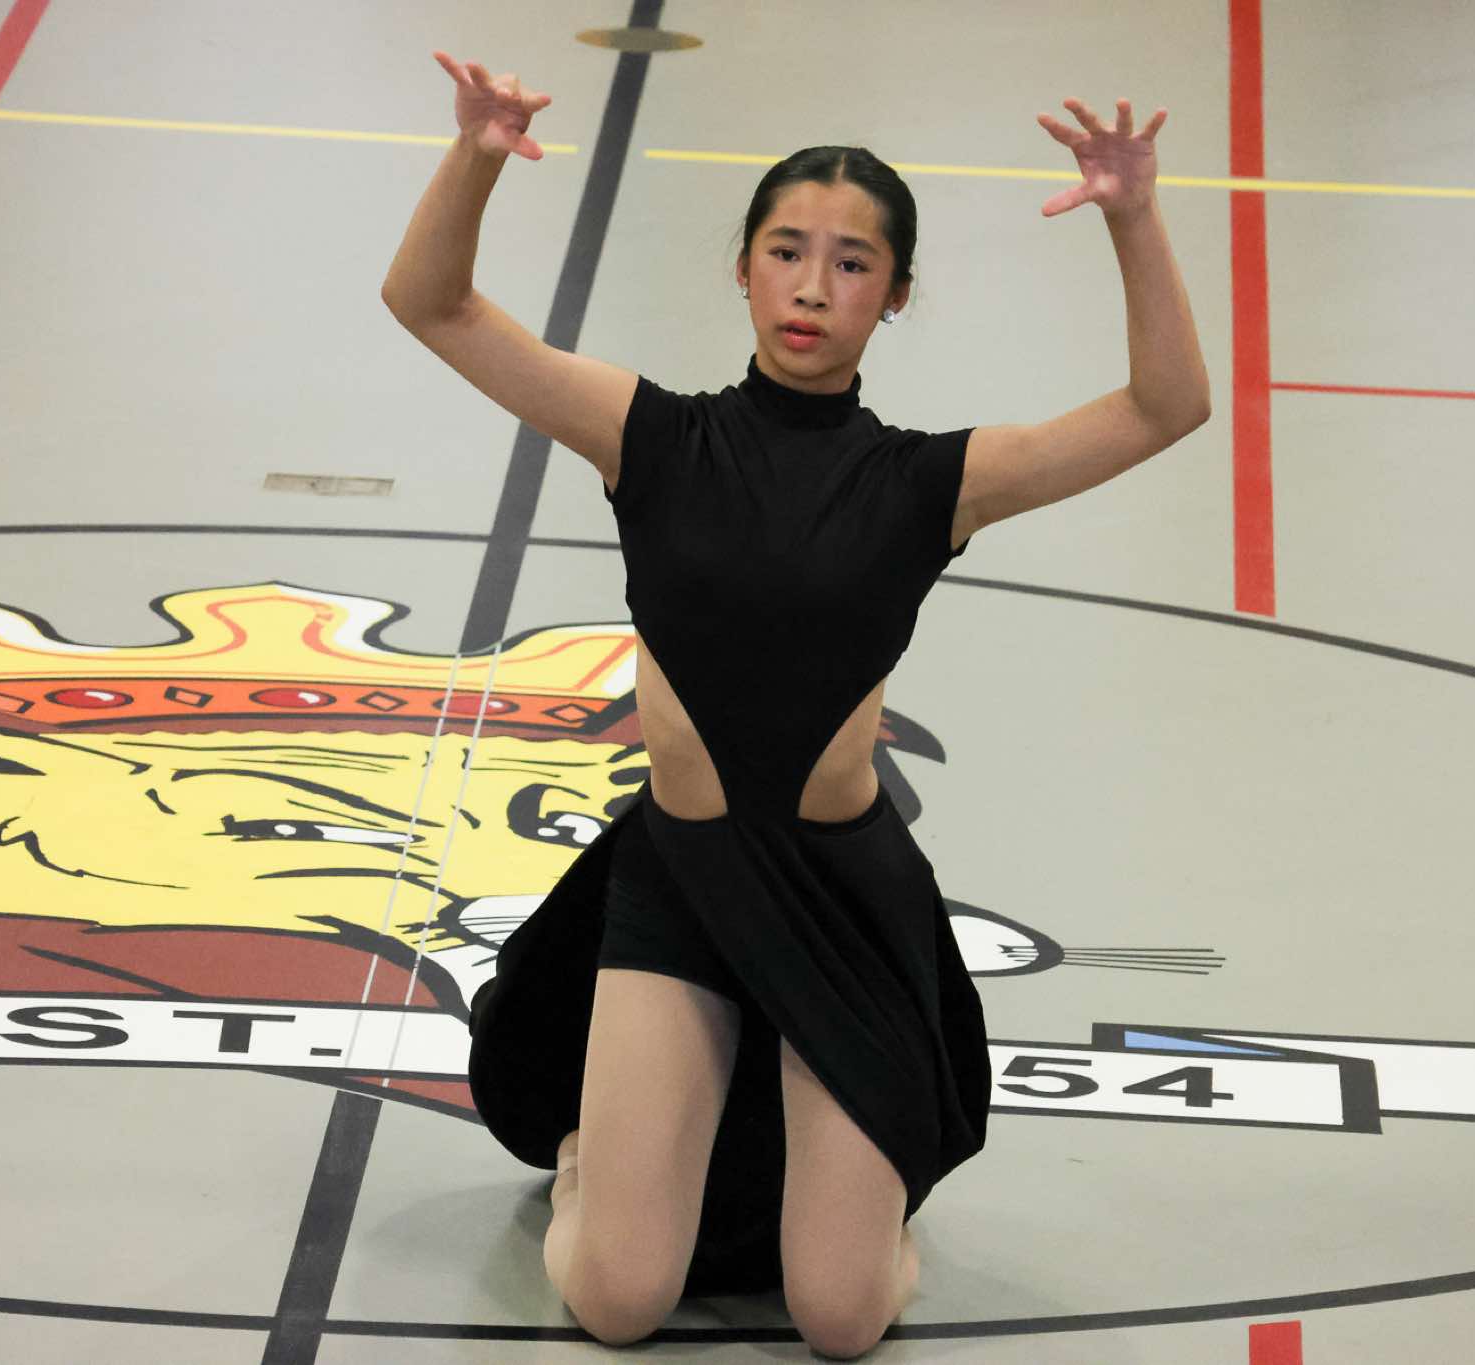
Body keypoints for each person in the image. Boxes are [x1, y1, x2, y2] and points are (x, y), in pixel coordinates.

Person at [381, 52, 1209, 1357]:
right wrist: (477, 155)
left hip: (839, 902)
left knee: (839, 1317)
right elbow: (430, 303)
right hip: (681, 883)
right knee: (617, 1302)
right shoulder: (649, 438)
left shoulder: (931, 483)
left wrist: (1135, 216)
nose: (814, 285)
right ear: (744, 269)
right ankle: (598, 1155)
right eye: (787, 251)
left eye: (853, 262)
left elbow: (1169, 405)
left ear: (896, 294)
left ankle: (873, 1217)